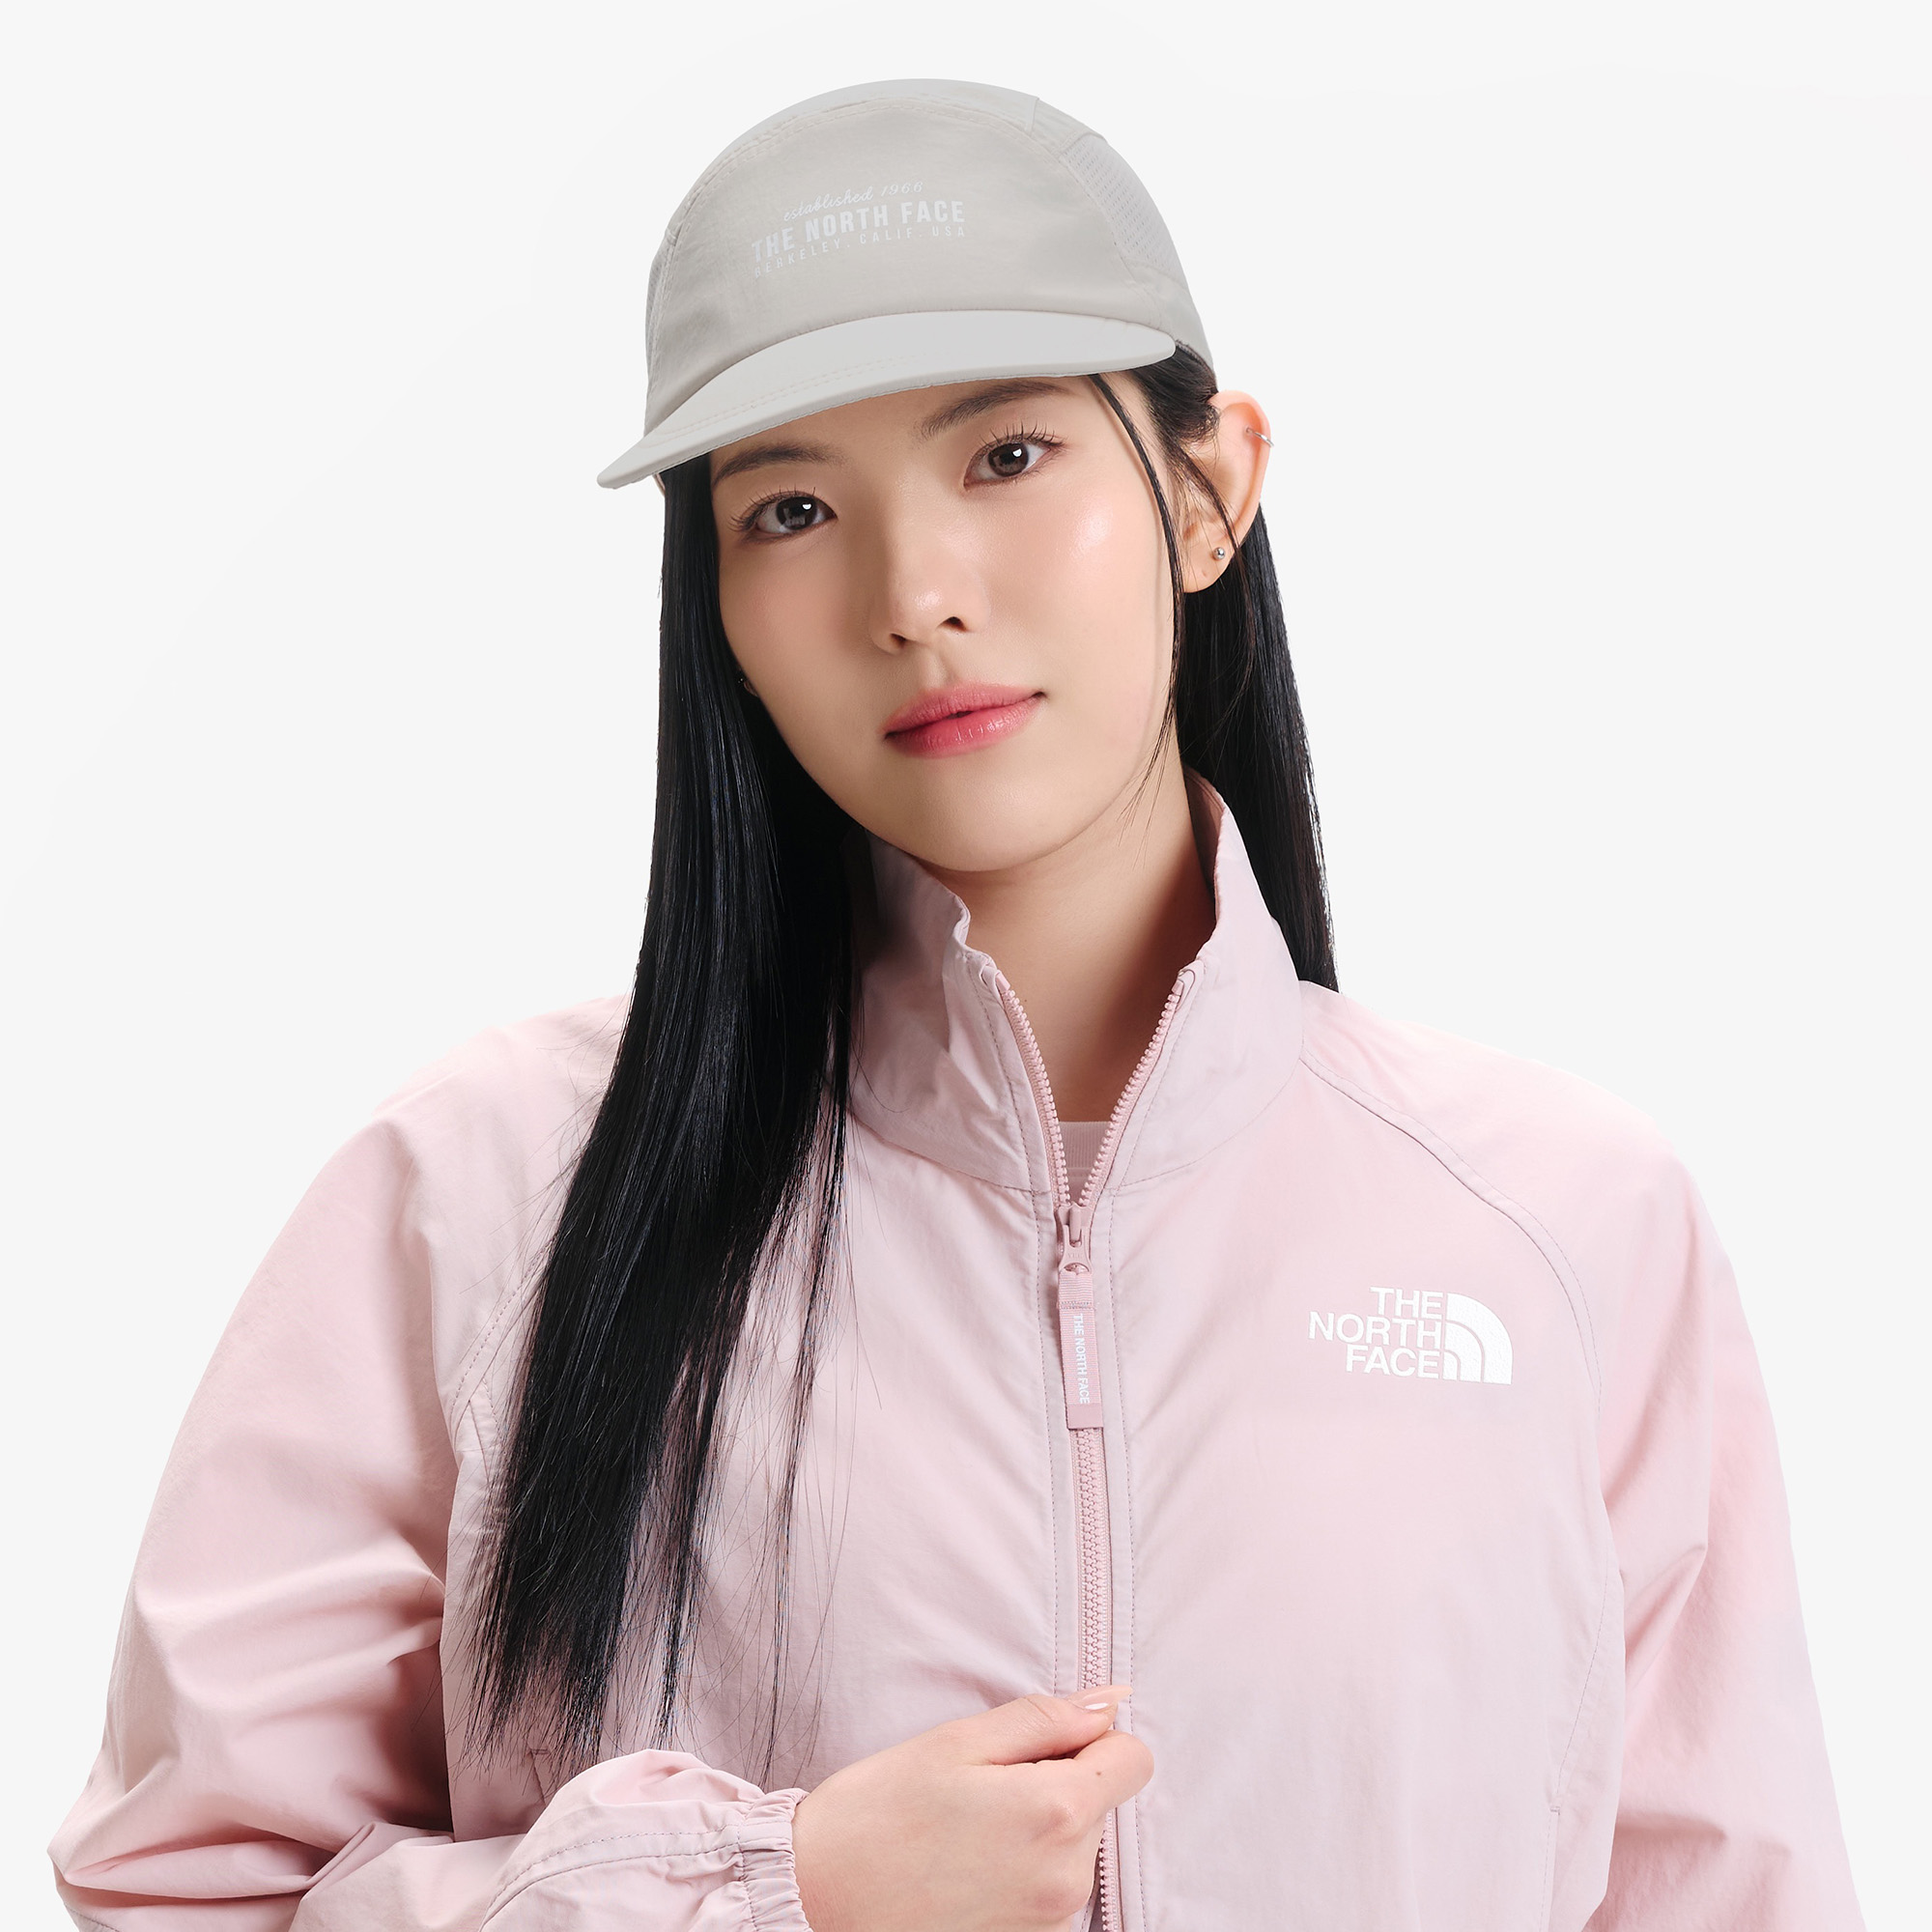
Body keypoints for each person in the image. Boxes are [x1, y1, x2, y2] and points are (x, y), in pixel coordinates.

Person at [50, 77, 1862, 1932]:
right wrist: (775, 1897)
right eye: (791, 507)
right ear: (715, 601)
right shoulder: (484, 1197)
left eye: (1006, 455)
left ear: (1208, 491)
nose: (913, 594)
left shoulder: (1565, 1223)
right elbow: (184, 1894)